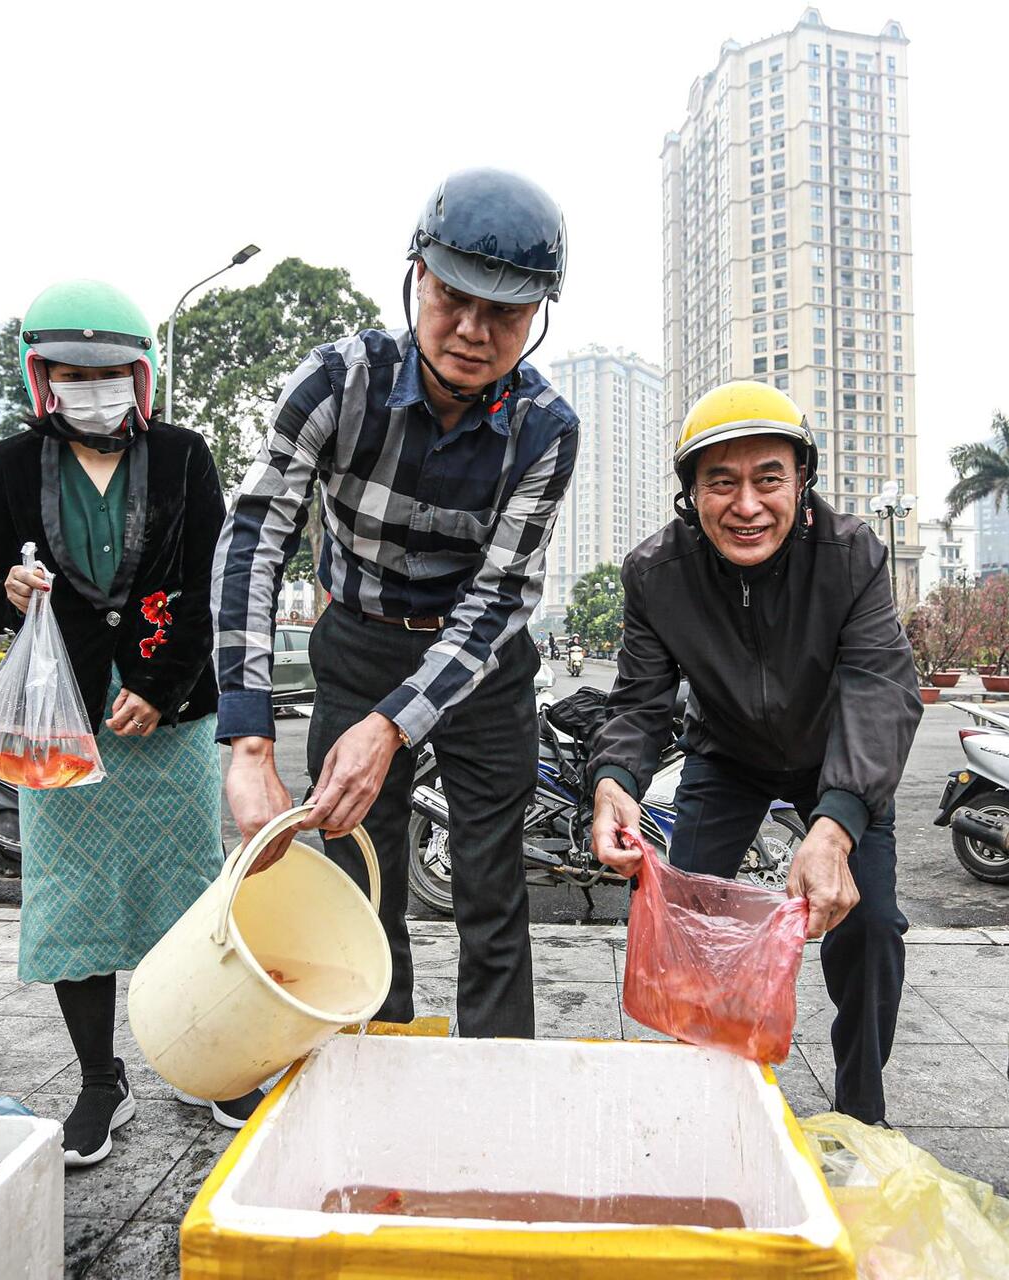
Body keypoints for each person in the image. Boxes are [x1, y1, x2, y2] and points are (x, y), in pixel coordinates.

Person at [214, 168, 577, 1039]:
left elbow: (495, 602)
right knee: (357, 876)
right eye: (452, 297)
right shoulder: (338, 383)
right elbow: (254, 536)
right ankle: (374, 1062)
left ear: (537, 318)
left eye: (506, 314)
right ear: (416, 273)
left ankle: (495, 1083)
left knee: (492, 890)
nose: (471, 332)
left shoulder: (546, 429)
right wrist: (248, 736)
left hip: (483, 674)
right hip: (360, 641)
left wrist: (391, 728)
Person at [587, 381, 922, 1123]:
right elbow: (641, 700)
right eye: (721, 483)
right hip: (726, 757)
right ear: (691, 496)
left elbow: (881, 688)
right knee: (687, 921)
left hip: (838, 763)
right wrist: (613, 783)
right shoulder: (655, 574)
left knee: (870, 926)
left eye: (768, 478)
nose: (747, 506)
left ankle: (862, 1111)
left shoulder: (852, 553)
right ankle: (702, 1093)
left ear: (801, 482)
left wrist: (835, 825)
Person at [0, 280, 238, 1167]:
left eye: (110, 369)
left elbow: (207, 588)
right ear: (42, 378)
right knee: (73, 895)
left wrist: (160, 685)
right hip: (63, 720)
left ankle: (208, 1062)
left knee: (187, 889)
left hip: (171, 716)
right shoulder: (9, 465)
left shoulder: (187, 458)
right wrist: (5, 592)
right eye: (71, 372)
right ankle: (98, 1081)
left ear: (141, 375)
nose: (92, 385)